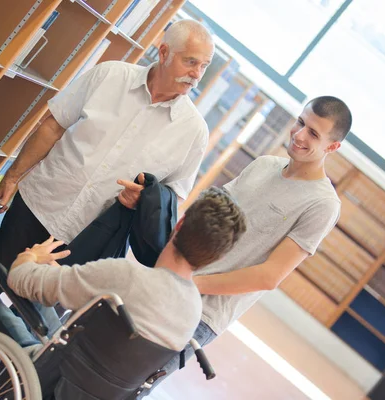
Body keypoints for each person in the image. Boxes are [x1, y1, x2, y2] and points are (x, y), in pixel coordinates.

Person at [0, 187, 246, 399]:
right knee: (50, 325)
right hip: (67, 383)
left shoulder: (126, 276)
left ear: (176, 229)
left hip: (34, 378)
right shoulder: (190, 317)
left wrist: (32, 257)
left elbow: (23, 284)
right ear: (212, 258)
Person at [138, 96, 353, 397]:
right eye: (301, 122)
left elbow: (269, 276)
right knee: (96, 357)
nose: (300, 135)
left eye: (314, 134)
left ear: (332, 147)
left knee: (127, 385)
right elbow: (203, 214)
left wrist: (191, 284)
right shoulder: (264, 165)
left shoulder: (323, 204)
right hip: (170, 284)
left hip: (202, 314)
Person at [0, 19, 216, 268]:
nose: (197, 74)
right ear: (164, 52)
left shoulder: (194, 132)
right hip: (38, 205)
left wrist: (143, 201)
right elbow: (53, 126)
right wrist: (12, 177)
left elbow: (172, 198)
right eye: (190, 61)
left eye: (204, 66)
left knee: (34, 307)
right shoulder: (109, 75)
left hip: (89, 241)